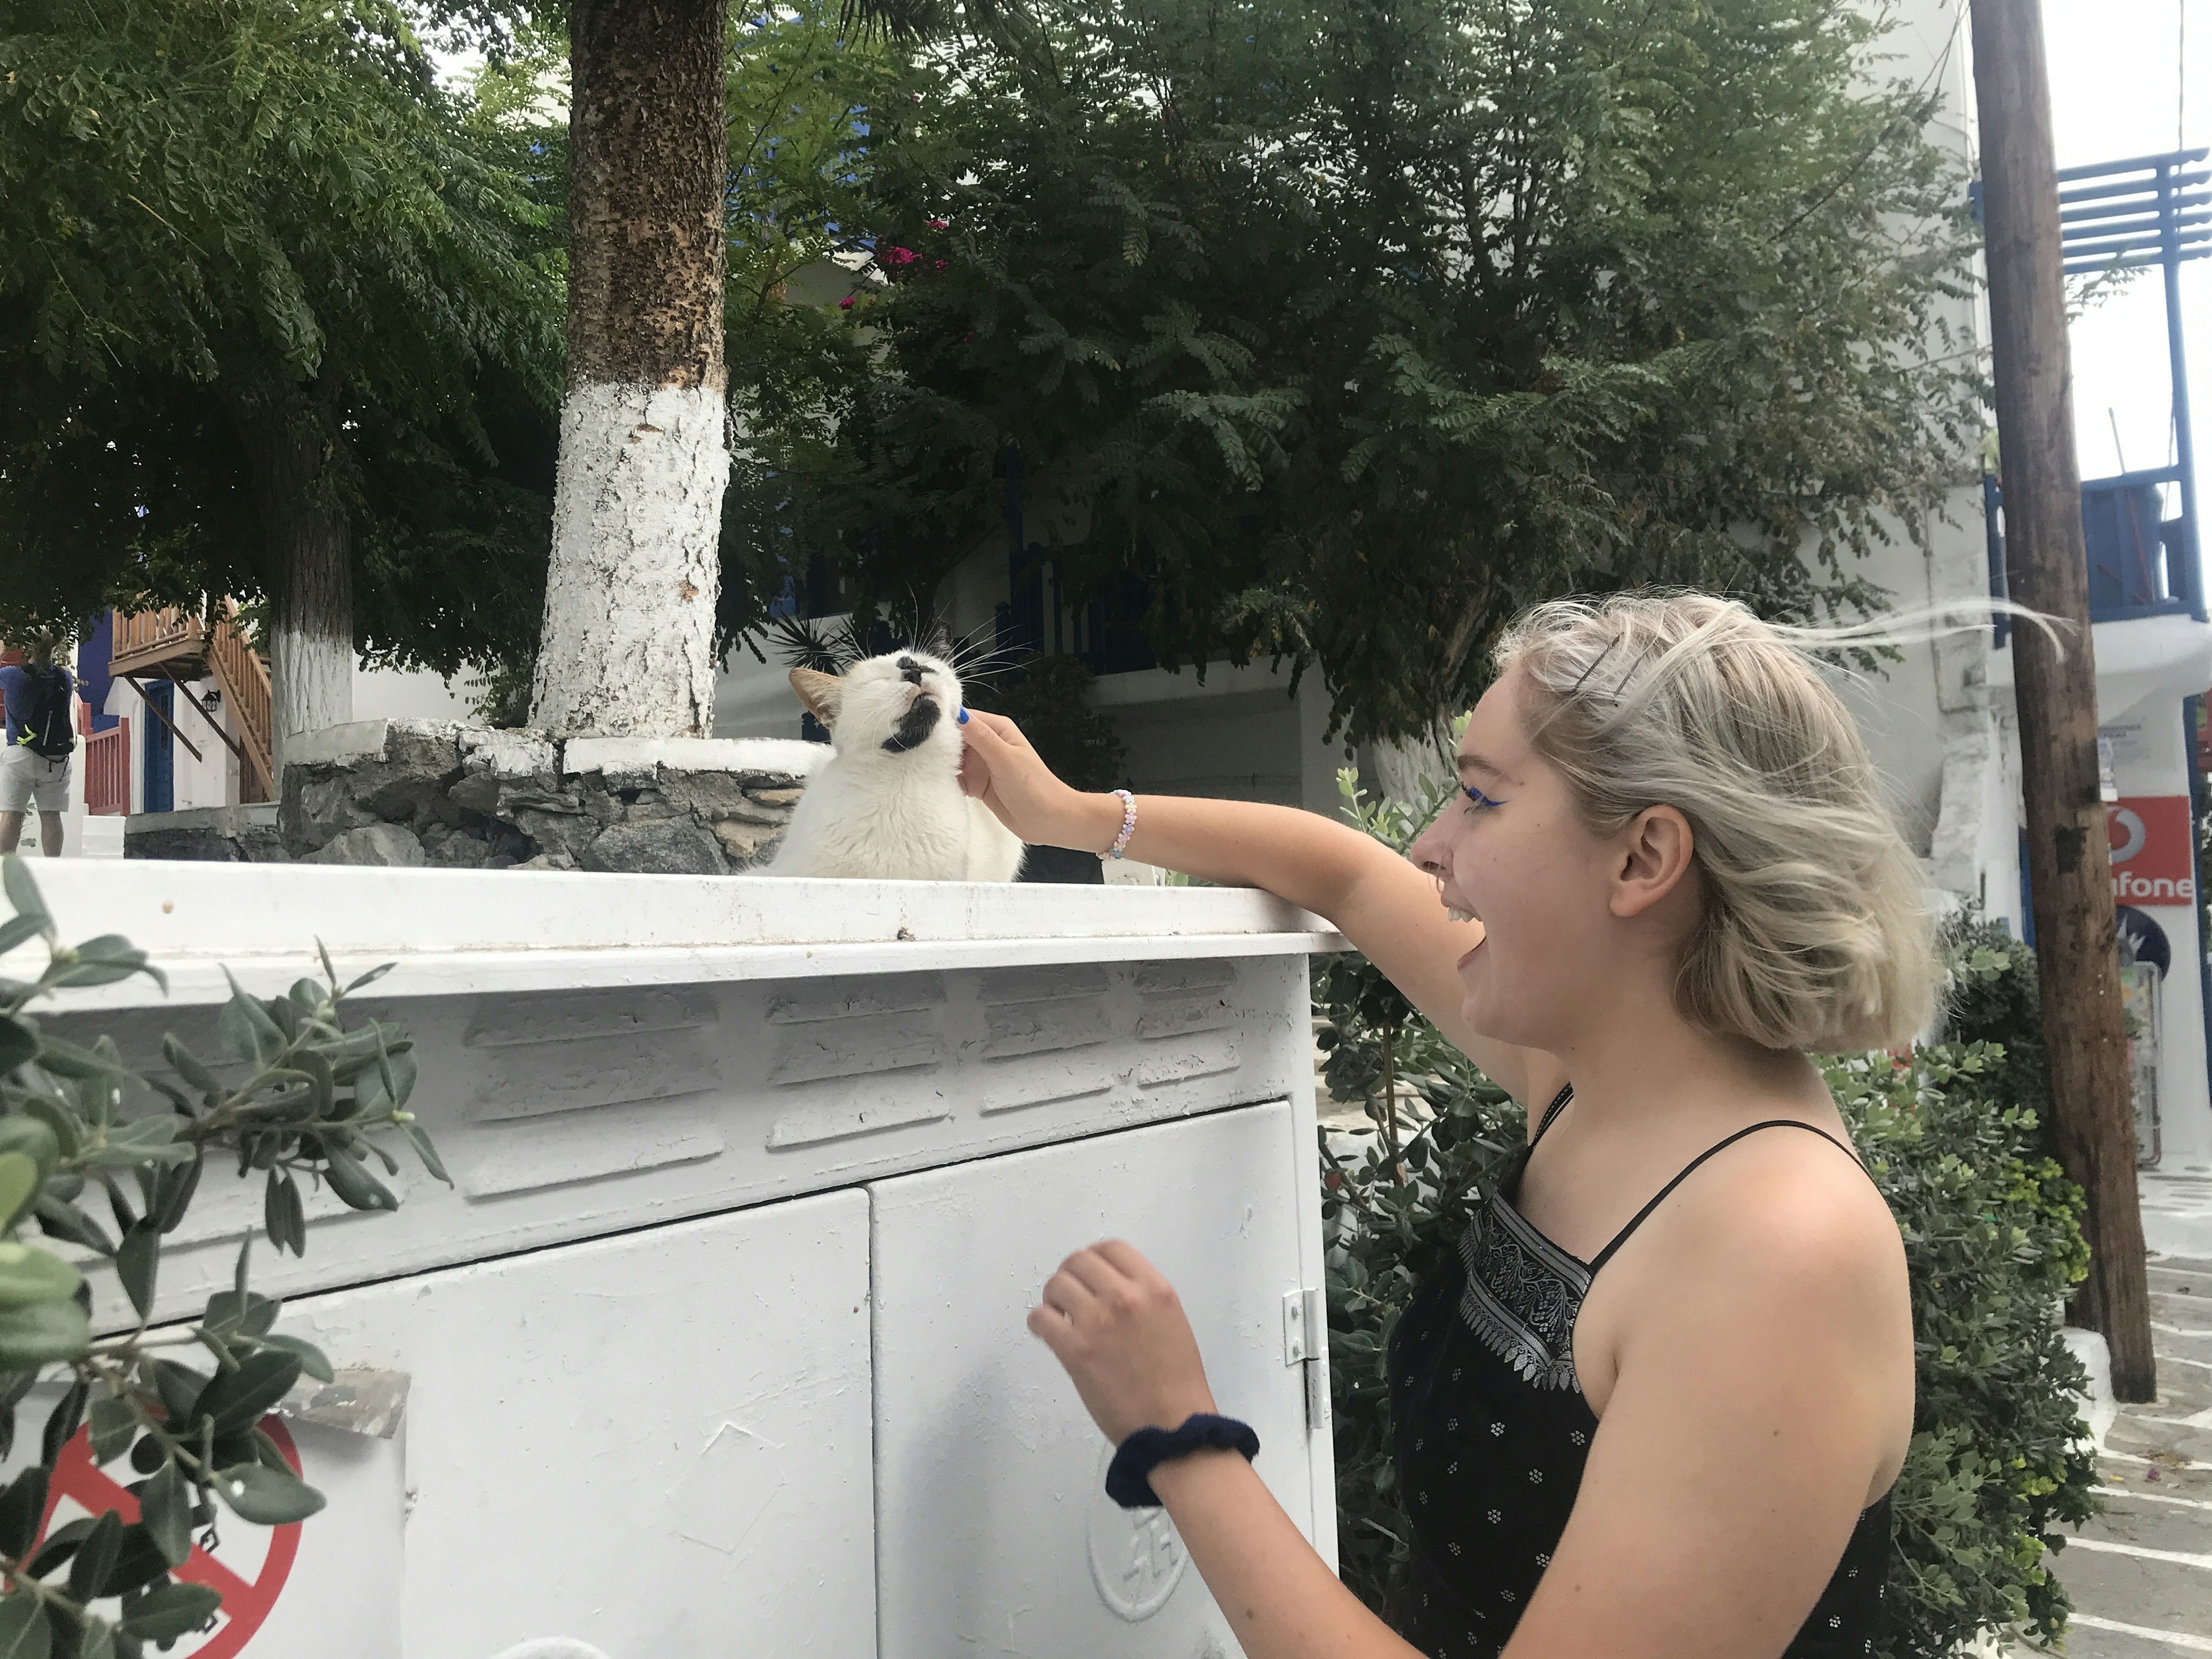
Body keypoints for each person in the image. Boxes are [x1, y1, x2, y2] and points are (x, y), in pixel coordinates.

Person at [956, 591, 1926, 1659]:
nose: (1430, 845)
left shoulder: (1776, 1256)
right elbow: (1344, 872)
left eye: (1481, 798)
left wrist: (1179, 1437)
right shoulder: (1597, 1080)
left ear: (1645, 860)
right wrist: (1076, 818)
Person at [0, 631, 77, 859]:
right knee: (51, 816)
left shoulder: (14, 676)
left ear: (27, 650)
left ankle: (5, 869)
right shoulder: (64, 678)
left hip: (21, 756)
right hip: (55, 758)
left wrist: (3, 650)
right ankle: (53, 866)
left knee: (12, 814)